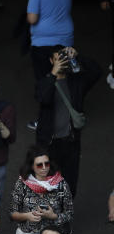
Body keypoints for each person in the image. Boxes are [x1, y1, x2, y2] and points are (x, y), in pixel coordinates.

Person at [34, 45, 101, 197]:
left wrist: (78, 56)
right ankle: (50, 215)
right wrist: (53, 74)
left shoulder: (76, 82)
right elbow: (43, 98)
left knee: (70, 186)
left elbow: (97, 72)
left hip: (71, 142)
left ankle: (63, 217)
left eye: (64, 59)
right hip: (48, 144)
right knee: (48, 185)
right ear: (51, 61)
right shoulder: (44, 82)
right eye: (58, 59)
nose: (61, 63)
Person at [27, 0, 74, 83]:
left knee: (44, 81)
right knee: (63, 78)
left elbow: (32, 19)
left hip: (42, 43)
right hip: (65, 39)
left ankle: (46, 102)